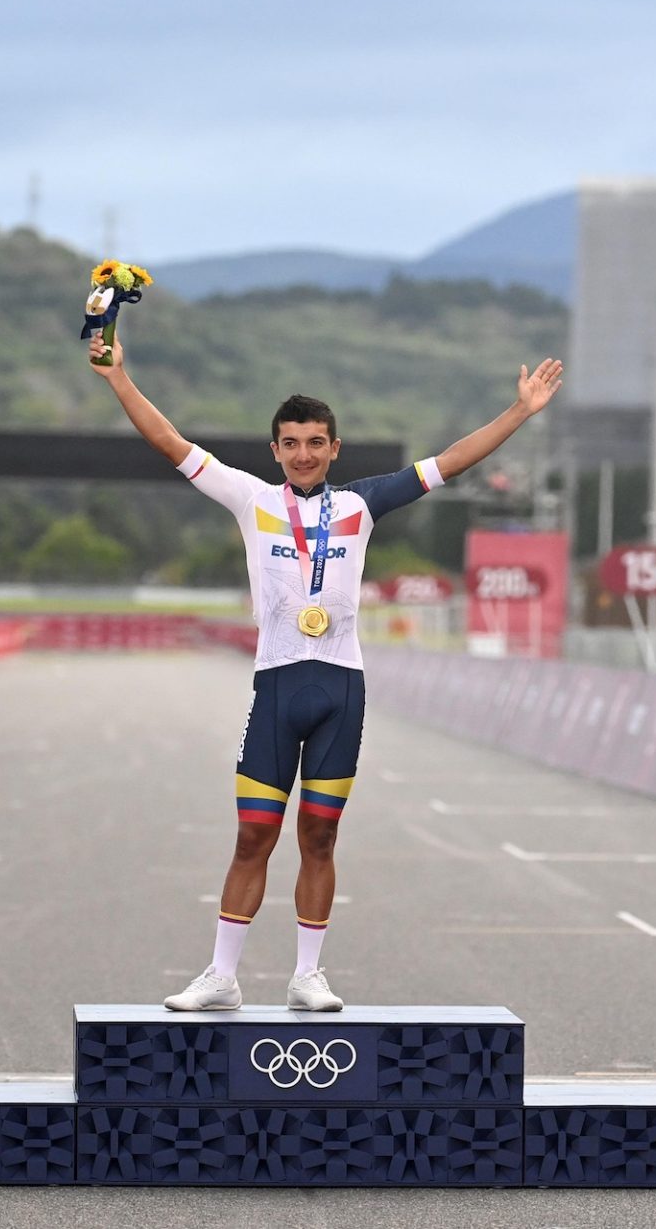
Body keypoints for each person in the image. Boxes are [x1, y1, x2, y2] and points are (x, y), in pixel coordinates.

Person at [89, 332, 561, 1012]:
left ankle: (308, 974)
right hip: (278, 685)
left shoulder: (362, 503)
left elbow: (450, 463)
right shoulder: (250, 497)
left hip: (341, 688)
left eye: (316, 442)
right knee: (254, 832)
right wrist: (119, 379)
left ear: (334, 448)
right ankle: (221, 975)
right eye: (291, 442)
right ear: (275, 449)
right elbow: (168, 441)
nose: (304, 453)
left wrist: (519, 413)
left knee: (320, 833)